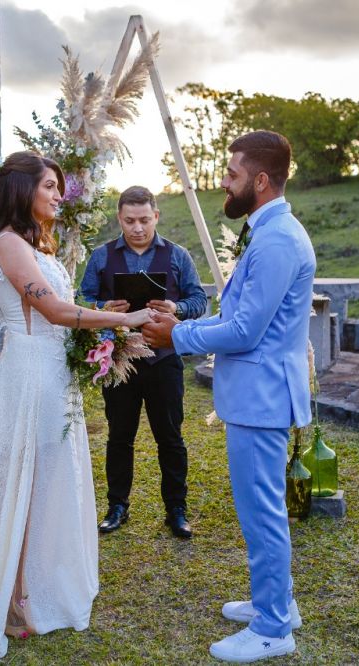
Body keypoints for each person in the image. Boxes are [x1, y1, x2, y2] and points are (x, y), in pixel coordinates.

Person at [0, 151, 154, 659]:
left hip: (53, 374)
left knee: (50, 478)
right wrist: (124, 322)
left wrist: (101, 317)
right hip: (31, 376)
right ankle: (17, 598)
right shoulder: (7, 243)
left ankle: (41, 584)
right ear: (23, 191)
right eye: (48, 187)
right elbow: (54, 310)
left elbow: (64, 311)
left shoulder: (32, 244)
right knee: (27, 479)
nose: (56, 196)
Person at [142, 131, 315, 663]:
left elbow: (245, 332)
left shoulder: (278, 240)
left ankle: (272, 628)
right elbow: (235, 313)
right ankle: (276, 602)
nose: (224, 181)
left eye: (233, 173)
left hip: (262, 396)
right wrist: (185, 318)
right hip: (255, 393)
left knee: (262, 513)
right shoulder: (266, 231)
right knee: (257, 509)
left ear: (261, 182)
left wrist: (177, 338)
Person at [79, 186, 208, 539]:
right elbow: (82, 298)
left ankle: (176, 510)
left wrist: (176, 308)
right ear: (119, 218)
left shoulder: (178, 255)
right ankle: (117, 507)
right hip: (119, 362)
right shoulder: (102, 257)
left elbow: (200, 300)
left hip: (164, 360)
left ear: (156, 217)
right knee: (120, 436)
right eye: (130, 220)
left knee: (170, 437)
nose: (137, 228)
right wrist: (103, 309)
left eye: (145, 220)